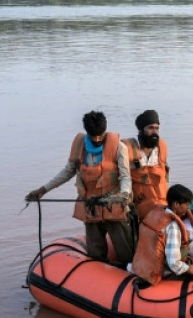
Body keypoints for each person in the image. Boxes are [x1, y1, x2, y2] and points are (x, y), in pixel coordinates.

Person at [25, 110, 134, 265]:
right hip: (90, 206)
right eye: (92, 135)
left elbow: (125, 177)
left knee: (125, 252)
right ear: (87, 132)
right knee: (95, 253)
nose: (96, 140)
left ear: (105, 131)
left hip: (113, 205)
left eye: (100, 136)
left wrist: (123, 195)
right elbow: (68, 171)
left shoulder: (119, 147)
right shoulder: (79, 147)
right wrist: (43, 189)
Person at [132, 184, 193, 284]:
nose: (189, 208)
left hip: (142, 264)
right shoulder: (173, 227)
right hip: (157, 271)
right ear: (176, 204)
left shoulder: (155, 214)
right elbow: (174, 264)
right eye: (186, 204)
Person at [122, 110, 170, 220]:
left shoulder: (162, 147)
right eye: (150, 128)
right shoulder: (126, 148)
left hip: (162, 205)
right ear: (141, 130)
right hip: (138, 208)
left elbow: (165, 177)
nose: (155, 132)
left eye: (157, 128)